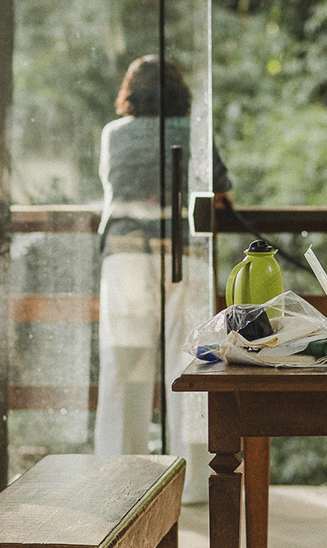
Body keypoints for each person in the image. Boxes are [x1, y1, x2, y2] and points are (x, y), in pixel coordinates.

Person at [95, 55, 233, 503]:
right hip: (184, 254)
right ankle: (195, 483)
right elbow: (221, 193)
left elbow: (113, 189)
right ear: (180, 92)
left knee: (125, 365)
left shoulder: (113, 135)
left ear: (131, 92)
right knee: (190, 362)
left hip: (126, 255)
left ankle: (120, 479)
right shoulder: (195, 131)